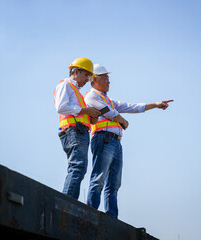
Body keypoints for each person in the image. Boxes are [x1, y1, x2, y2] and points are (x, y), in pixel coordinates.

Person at [84, 63, 173, 218]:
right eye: (105, 78)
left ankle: (111, 217)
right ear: (95, 79)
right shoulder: (92, 96)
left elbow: (132, 106)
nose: (109, 81)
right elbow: (110, 113)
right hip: (103, 139)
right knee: (99, 179)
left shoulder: (108, 100)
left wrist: (156, 105)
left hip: (115, 142)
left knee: (114, 184)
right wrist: (123, 121)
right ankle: (90, 213)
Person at [54, 57, 101, 200]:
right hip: (74, 131)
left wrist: (91, 117)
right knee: (77, 167)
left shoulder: (74, 90)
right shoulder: (66, 86)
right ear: (76, 72)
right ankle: (67, 203)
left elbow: (76, 112)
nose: (88, 79)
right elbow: (61, 107)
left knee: (78, 167)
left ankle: (68, 202)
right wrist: (86, 111)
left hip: (78, 131)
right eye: (86, 75)